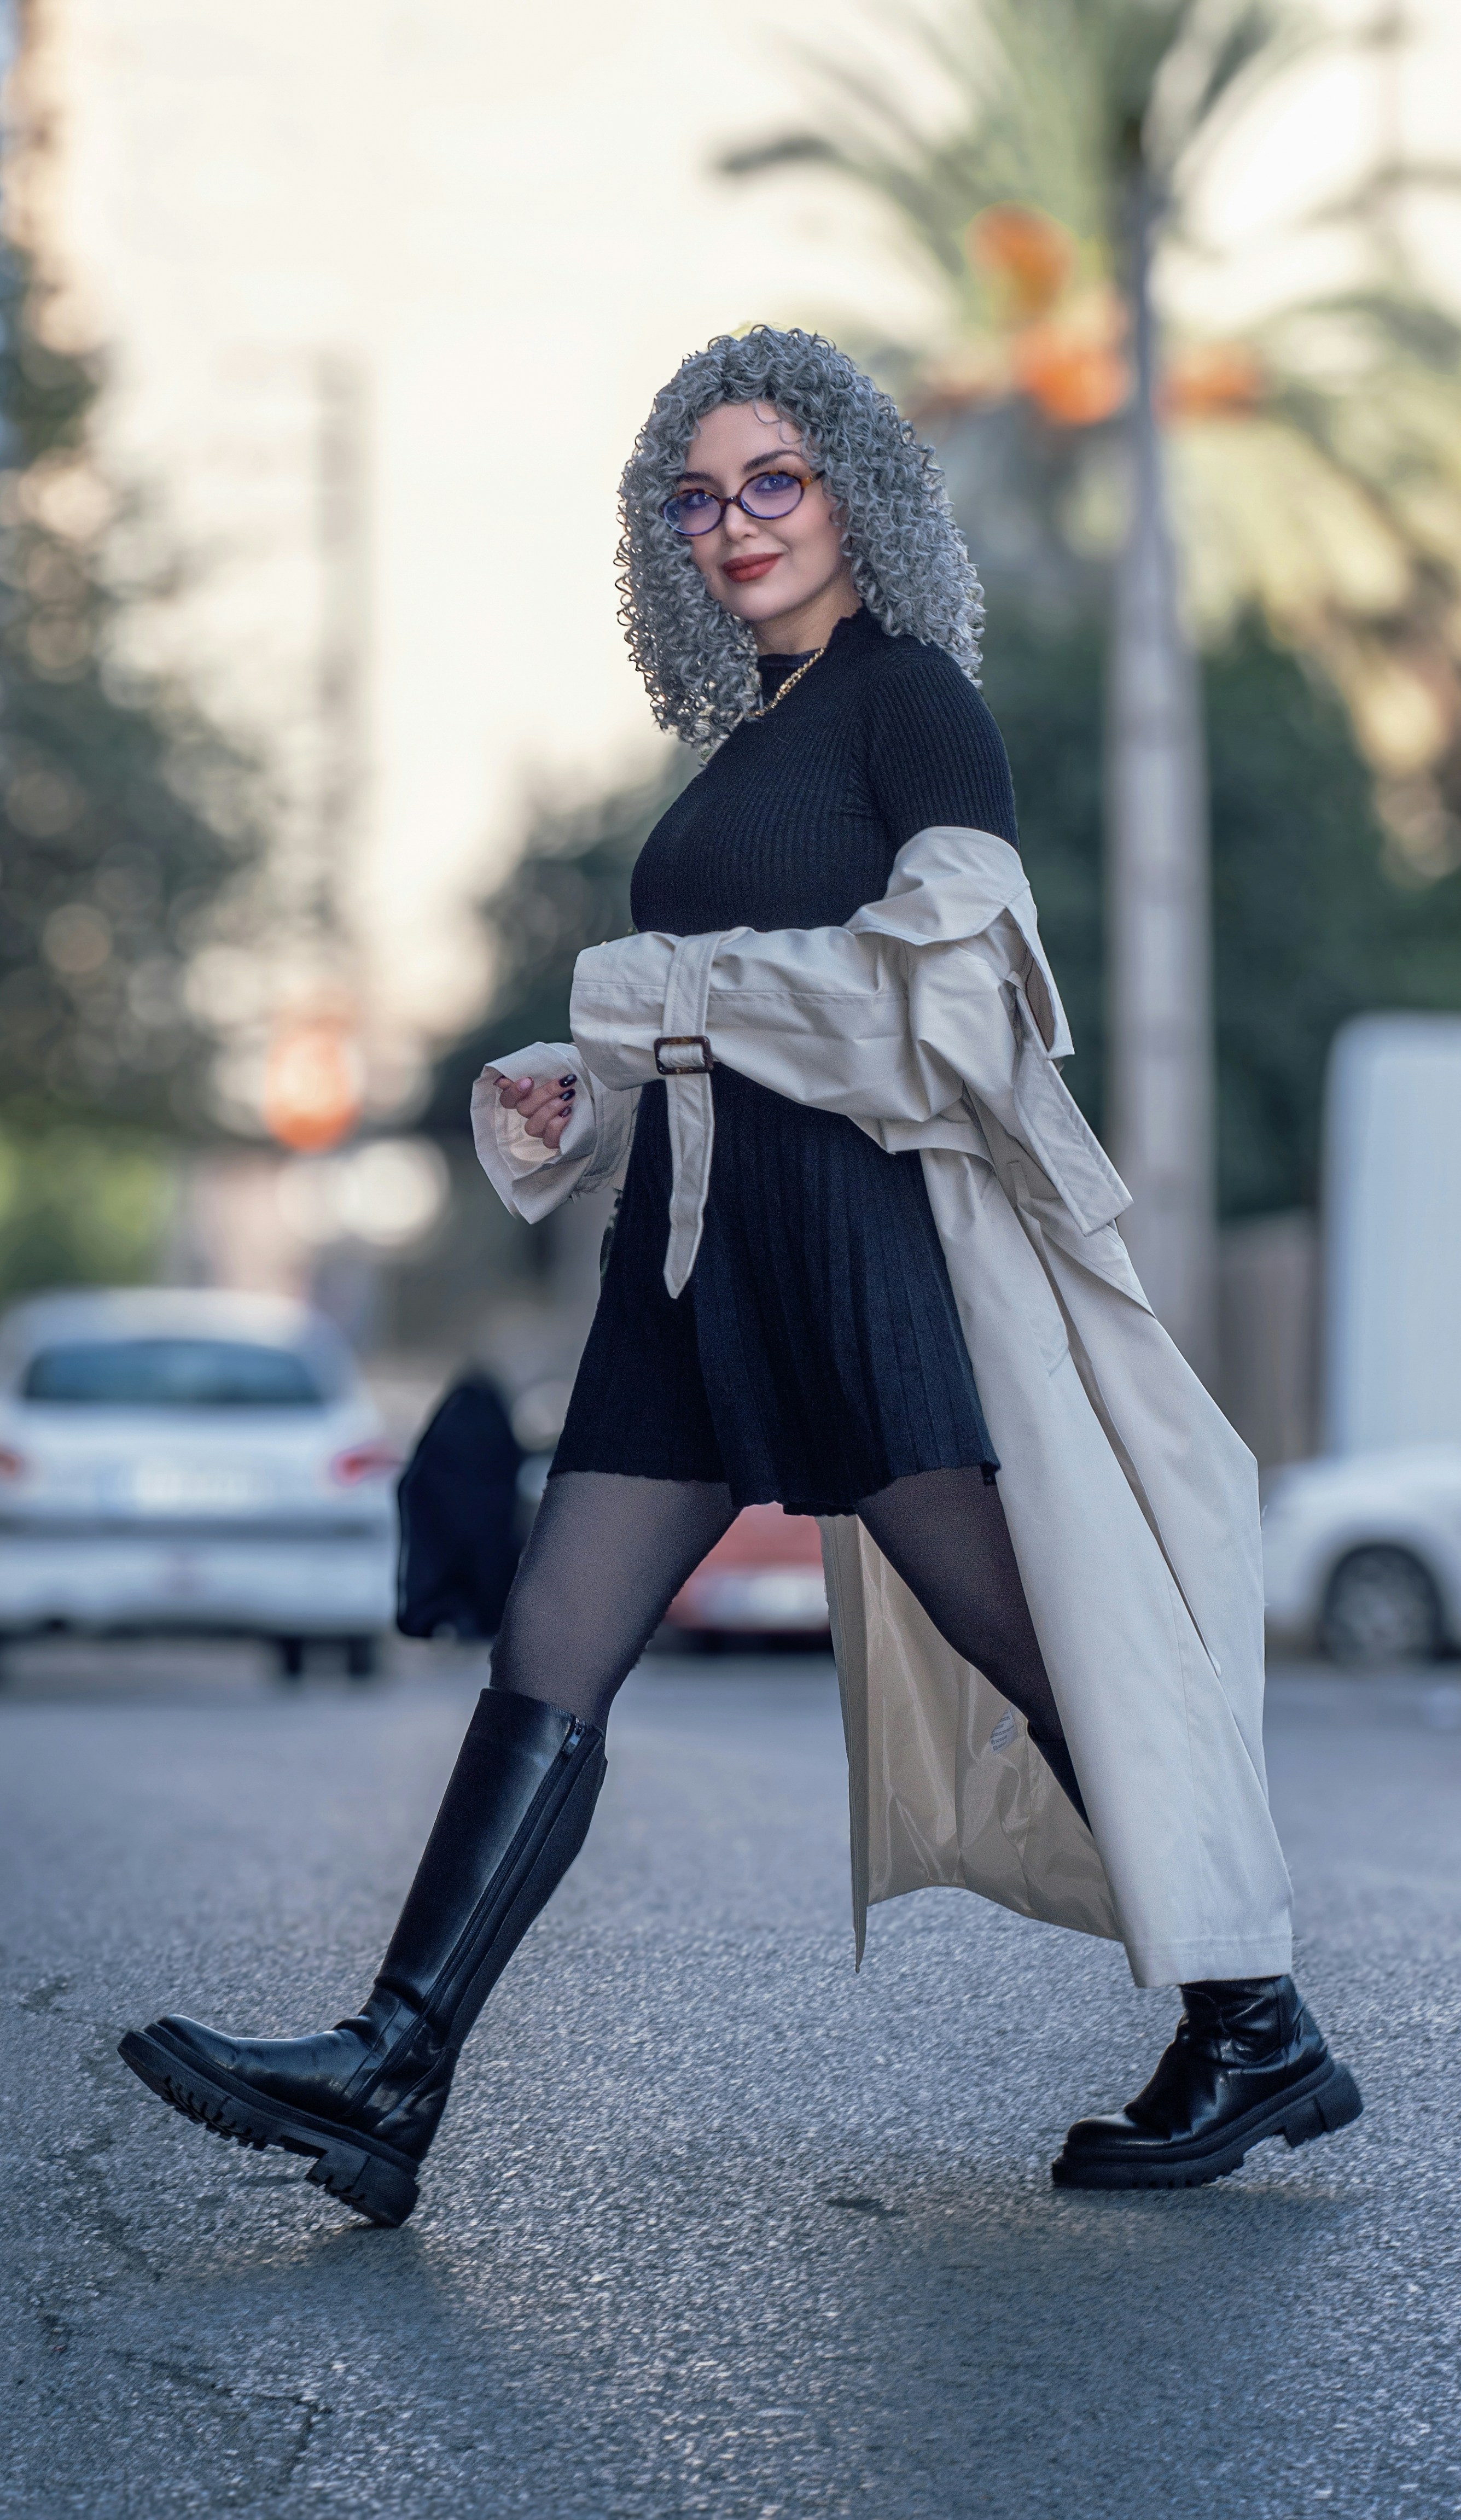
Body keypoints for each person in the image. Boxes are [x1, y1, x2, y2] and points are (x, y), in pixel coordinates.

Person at [119, 328, 1361, 2228]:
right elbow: (743, 1012)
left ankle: (1253, 2019)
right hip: (687, 1256)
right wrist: (593, 1076)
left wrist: (654, 997)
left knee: (1043, 1640)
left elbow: (944, 1013)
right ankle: (394, 2066)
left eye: (770, 480)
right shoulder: (746, 743)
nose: (733, 525)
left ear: (852, 487)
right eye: (693, 499)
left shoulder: (913, 707)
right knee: (560, 1624)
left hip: (858, 1249)